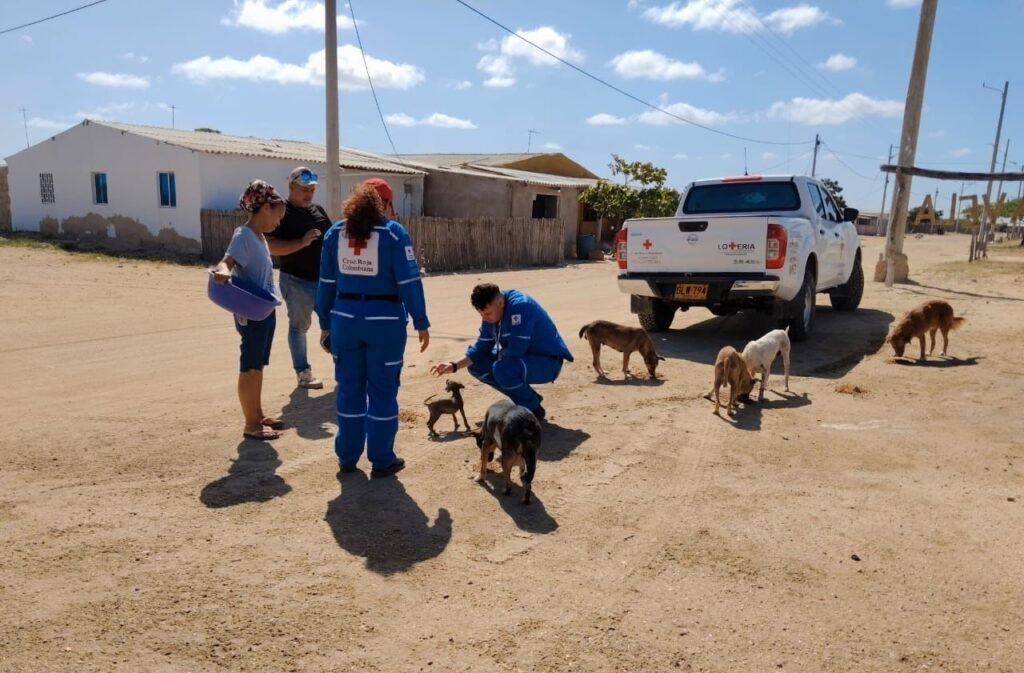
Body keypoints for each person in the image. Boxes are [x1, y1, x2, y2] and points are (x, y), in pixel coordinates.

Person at [315, 178, 430, 478]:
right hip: (385, 323)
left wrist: (325, 324)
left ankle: (347, 458)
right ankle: (381, 460)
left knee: (349, 390)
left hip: (344, 320)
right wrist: (421, 321)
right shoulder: (393, 234)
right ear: (387, 204)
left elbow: (325, 284)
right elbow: (408, 281)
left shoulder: (335, 233)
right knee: (382, 392)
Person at [211, 180, 287, 440]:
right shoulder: (243, 235)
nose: (279, 221)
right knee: (250, 366)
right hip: (250, 312)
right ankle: (250, 424)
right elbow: (227, 261)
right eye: (278, 215)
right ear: (266, 207)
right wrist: (222, 270)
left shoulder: (259, 237)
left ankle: (257, 414)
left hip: (264, 309)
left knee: (258, 365)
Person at [430, 283, 572, 420]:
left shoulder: (521, 307)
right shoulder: (492, 313)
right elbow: (481, 347)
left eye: (487, 314)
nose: (485, 319)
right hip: (521, 360)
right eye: (481, 315)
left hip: (547, 363)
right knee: (476, 365)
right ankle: (528, 401)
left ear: (500, 302)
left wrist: (497, 360)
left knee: (502, 368)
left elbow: (516, 350)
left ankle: (533, 410)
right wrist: (454, 365)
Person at [265, 166, 330, 390]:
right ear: (291, 186)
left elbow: (332, 241)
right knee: (299, 328)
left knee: (335, 323)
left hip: (325, 282)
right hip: (296, 281)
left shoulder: (318, 211)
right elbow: (271, 245)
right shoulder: (281, 212)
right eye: (304, 189)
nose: (309, 194)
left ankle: (345, 369)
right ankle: (303, 373)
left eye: (312, 189)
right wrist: (301, 242)